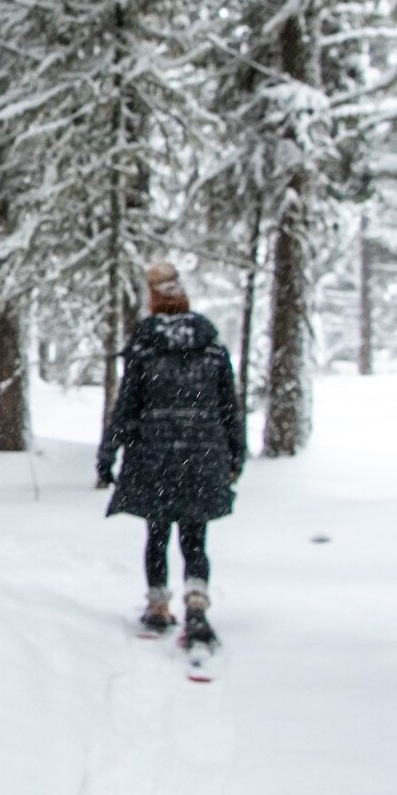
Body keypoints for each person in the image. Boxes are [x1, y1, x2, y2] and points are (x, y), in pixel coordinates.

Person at [95, 262, 246, 647]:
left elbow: (127, 405)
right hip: (202, 451)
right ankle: (196, 602)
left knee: (157, 532)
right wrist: (235, 454)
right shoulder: (210, 346)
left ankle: (158, 606)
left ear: (154, 302)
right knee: (196, 536)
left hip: (154, 452)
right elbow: (229, 406)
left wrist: (108, 453)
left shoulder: (145, 347)